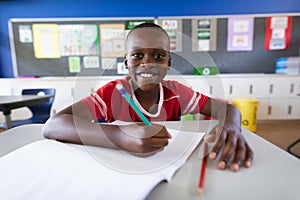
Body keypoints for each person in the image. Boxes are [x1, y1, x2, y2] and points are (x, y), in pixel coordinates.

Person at [43, 22, 253, 172]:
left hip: (168, 168)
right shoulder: (112, 94)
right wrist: (120, 136)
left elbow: (226, 109)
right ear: (126, 62)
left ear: (168, 62)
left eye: (158, 56)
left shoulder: (177, 94)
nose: (147, 63)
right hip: (119, 172)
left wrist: (232, 126)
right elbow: (53, 125)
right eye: (137, 55)